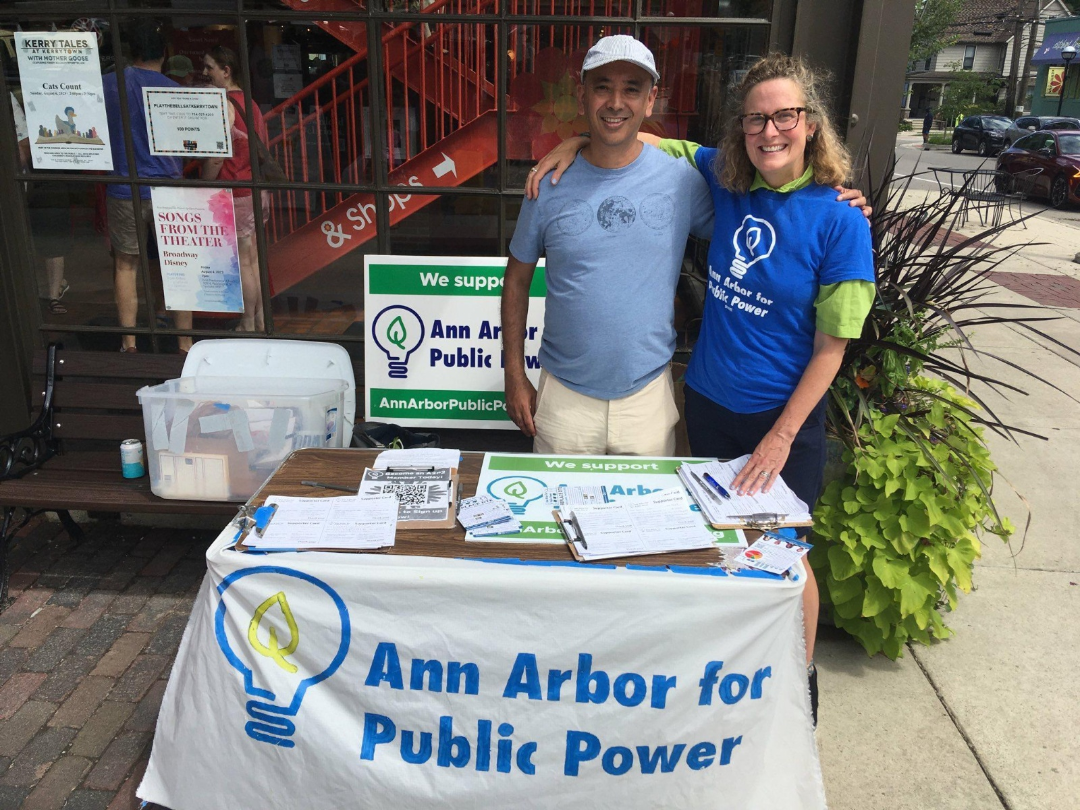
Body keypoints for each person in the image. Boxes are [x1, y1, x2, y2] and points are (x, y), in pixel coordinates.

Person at [530, 53, 876, 723]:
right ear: (742, 127)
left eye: (785, 117)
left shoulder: (840, 219)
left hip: (782, 421)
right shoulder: (727, 180)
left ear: (810, 124)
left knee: (785, 556)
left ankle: (796, 689)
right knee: (717, 545)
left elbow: (834, 348)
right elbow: (641, 138)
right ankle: (730, 678)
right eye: (756, 119)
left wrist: (779, 438)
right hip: (711, 405)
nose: (769, 131)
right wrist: (574, 139)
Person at [501, 35, 715, 456]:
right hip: (564, 400)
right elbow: (516, 282)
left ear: (650, 100)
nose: (616, 102)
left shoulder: (681, 181)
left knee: (644, 521)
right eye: (603, 87)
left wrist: (823, 198)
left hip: (647, 400)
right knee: (559, 519)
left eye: (631, 88)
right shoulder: (547, 185)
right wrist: (513, 371)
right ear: (582, 96)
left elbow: (753, 214)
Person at [103, 20, 191, 353]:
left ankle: (129, 343)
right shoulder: (174, 89)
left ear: (130, 51)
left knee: (125, 266)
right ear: (164, 54)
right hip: (168, 188)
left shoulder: (107, 85)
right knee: (180, 264)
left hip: (124, 186)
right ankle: (184, 343)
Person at [202, 45, 269, 333]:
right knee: (253, 259)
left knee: (243, 263)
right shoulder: (251, 103)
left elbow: (217, 156)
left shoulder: (222, 105)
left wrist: (204, 184)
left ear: (225, 71)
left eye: (209, 67)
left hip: (236, 191)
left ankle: (248, 323)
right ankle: (262, 320)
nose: (205, 73)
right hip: (255, 189)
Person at [11, 92, 71, 315]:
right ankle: (49, 293)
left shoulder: (11, 98)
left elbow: (23, 144)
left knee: (51, 239)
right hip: (34, 177)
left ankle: (53, 294)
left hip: (39, 177)